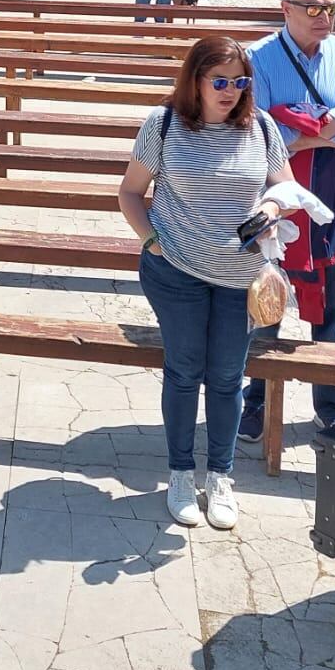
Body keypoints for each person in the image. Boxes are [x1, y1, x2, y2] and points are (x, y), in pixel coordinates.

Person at [121, 37, 293, 530]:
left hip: (239, 277)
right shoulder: (164, 124)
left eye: (240, 82)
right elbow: (131, 193)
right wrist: (153, 241)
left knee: (226, 375)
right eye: (220, 81)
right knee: (184, 369)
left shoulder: (261, 126)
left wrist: (273, 207)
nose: (231, 92)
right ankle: (180, 471)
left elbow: (283, 187)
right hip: (177, 272)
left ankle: (221, 475)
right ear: (194, 80)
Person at [241, 0, 335, 440]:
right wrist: (324, 130)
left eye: (331, 8)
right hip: (273, 201)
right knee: (265, 307)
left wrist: (298, 128)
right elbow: (260, 130)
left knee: (333, 313)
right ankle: (254, 401)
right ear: (286, 9)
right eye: (314, 8)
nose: (325, 18)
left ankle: (330, 406)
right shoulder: (256, 58)